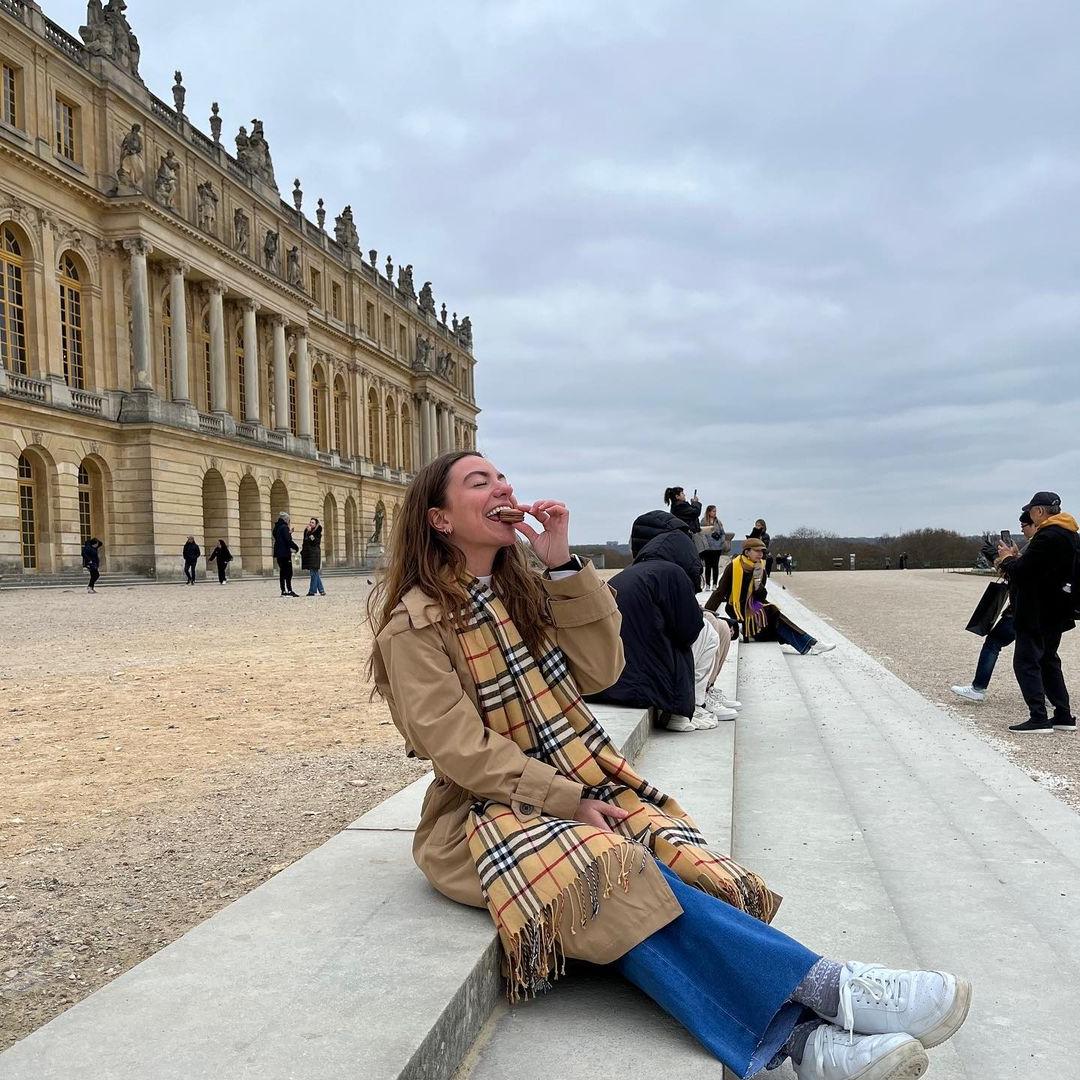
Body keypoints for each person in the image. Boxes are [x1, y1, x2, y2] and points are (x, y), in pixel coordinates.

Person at [369, 450, 970, 1080]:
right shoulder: (414, 626)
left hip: (573, 777)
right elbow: (459, 748)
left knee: (664, 853)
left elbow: (601, 670)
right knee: (607, 870)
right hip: (479, 813)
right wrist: (567, 800)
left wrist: (565, 566)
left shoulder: (527, 590)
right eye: (479, 482)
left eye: (502, 477)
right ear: (439, 519)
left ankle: (810, 1044)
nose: (503, 487)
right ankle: (833, 990)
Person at [587, 510, 738, 732]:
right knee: (707, 631)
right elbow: (689, 631)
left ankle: (697, 700)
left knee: (705, 625)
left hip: (605, 684)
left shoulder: (630, 574)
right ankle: (689, 709)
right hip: (640, 687)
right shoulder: (672, 572)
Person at [996, 491, 1079, 734]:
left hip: (1036, 610)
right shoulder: (1071, 534)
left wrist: (1007, 559)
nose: (1029, 515)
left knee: (1026, 662)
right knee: (1049, 660)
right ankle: (1063, 715)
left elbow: (1023, 572)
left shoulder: (1047, 536)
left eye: (1031, 511)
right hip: (1058, 609)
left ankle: (1038, 717)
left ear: (1040, 511)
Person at [951, 512, 1035, 703]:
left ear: (1035, 523)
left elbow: (1017, 573)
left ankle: (978, 688)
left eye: (1025, 524)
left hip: (1022, 607)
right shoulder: (1043, 542)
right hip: (1038, 608)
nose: (1021, 528)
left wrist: (1000, 558)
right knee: (1041, 652)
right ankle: (1050, 695)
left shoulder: (1037, 544)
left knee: (994, 643)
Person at [706, 538, 835, 655]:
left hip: (754, 604)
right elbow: (720, 592)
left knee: (773, 616)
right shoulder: (733, 567)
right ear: (747, 552)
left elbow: (761, 596)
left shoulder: (760, 569)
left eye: (762, 551)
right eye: (757, 551)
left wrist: (758, 584)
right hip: (736, 608)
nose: (761, 554)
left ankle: (810, 643)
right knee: (772, 614)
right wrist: (707, 613)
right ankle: (811, 643)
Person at [700, 504, 730, 590]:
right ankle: (708, 584)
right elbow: (701, 533)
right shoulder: (703, 521)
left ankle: (715, 584)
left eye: (715, 511)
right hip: (708, 547)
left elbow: (722, 533)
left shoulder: (718, 522)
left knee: (715, 566)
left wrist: (721, 541)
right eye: (713, 511)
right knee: (708, 566)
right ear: (709, 512)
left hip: (717, 547)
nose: (715, 513)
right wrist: (705, 543)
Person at [272, 512, 299, 597]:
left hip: (279, 553)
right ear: (286, 519)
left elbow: (280, 538)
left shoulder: (277, 527)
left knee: (282, 572)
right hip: (285, 553)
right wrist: (296, 547)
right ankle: (289, 590)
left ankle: (283, 590)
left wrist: (289, 533)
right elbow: (288, 540)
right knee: (288, 572)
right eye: (288, 520)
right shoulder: (284, 527)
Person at [301, 517, 326, 596]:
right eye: (310, 522)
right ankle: (321, 590)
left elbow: (315, 542)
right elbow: (305, 541)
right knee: (315, 573)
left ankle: (312, 591)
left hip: (314, 554)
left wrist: (309, 533)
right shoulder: (307, 531)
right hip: (309, 554)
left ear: (315, 525)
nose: (310, 524)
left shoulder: (317, 533)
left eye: (312, 523)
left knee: (313, 573)